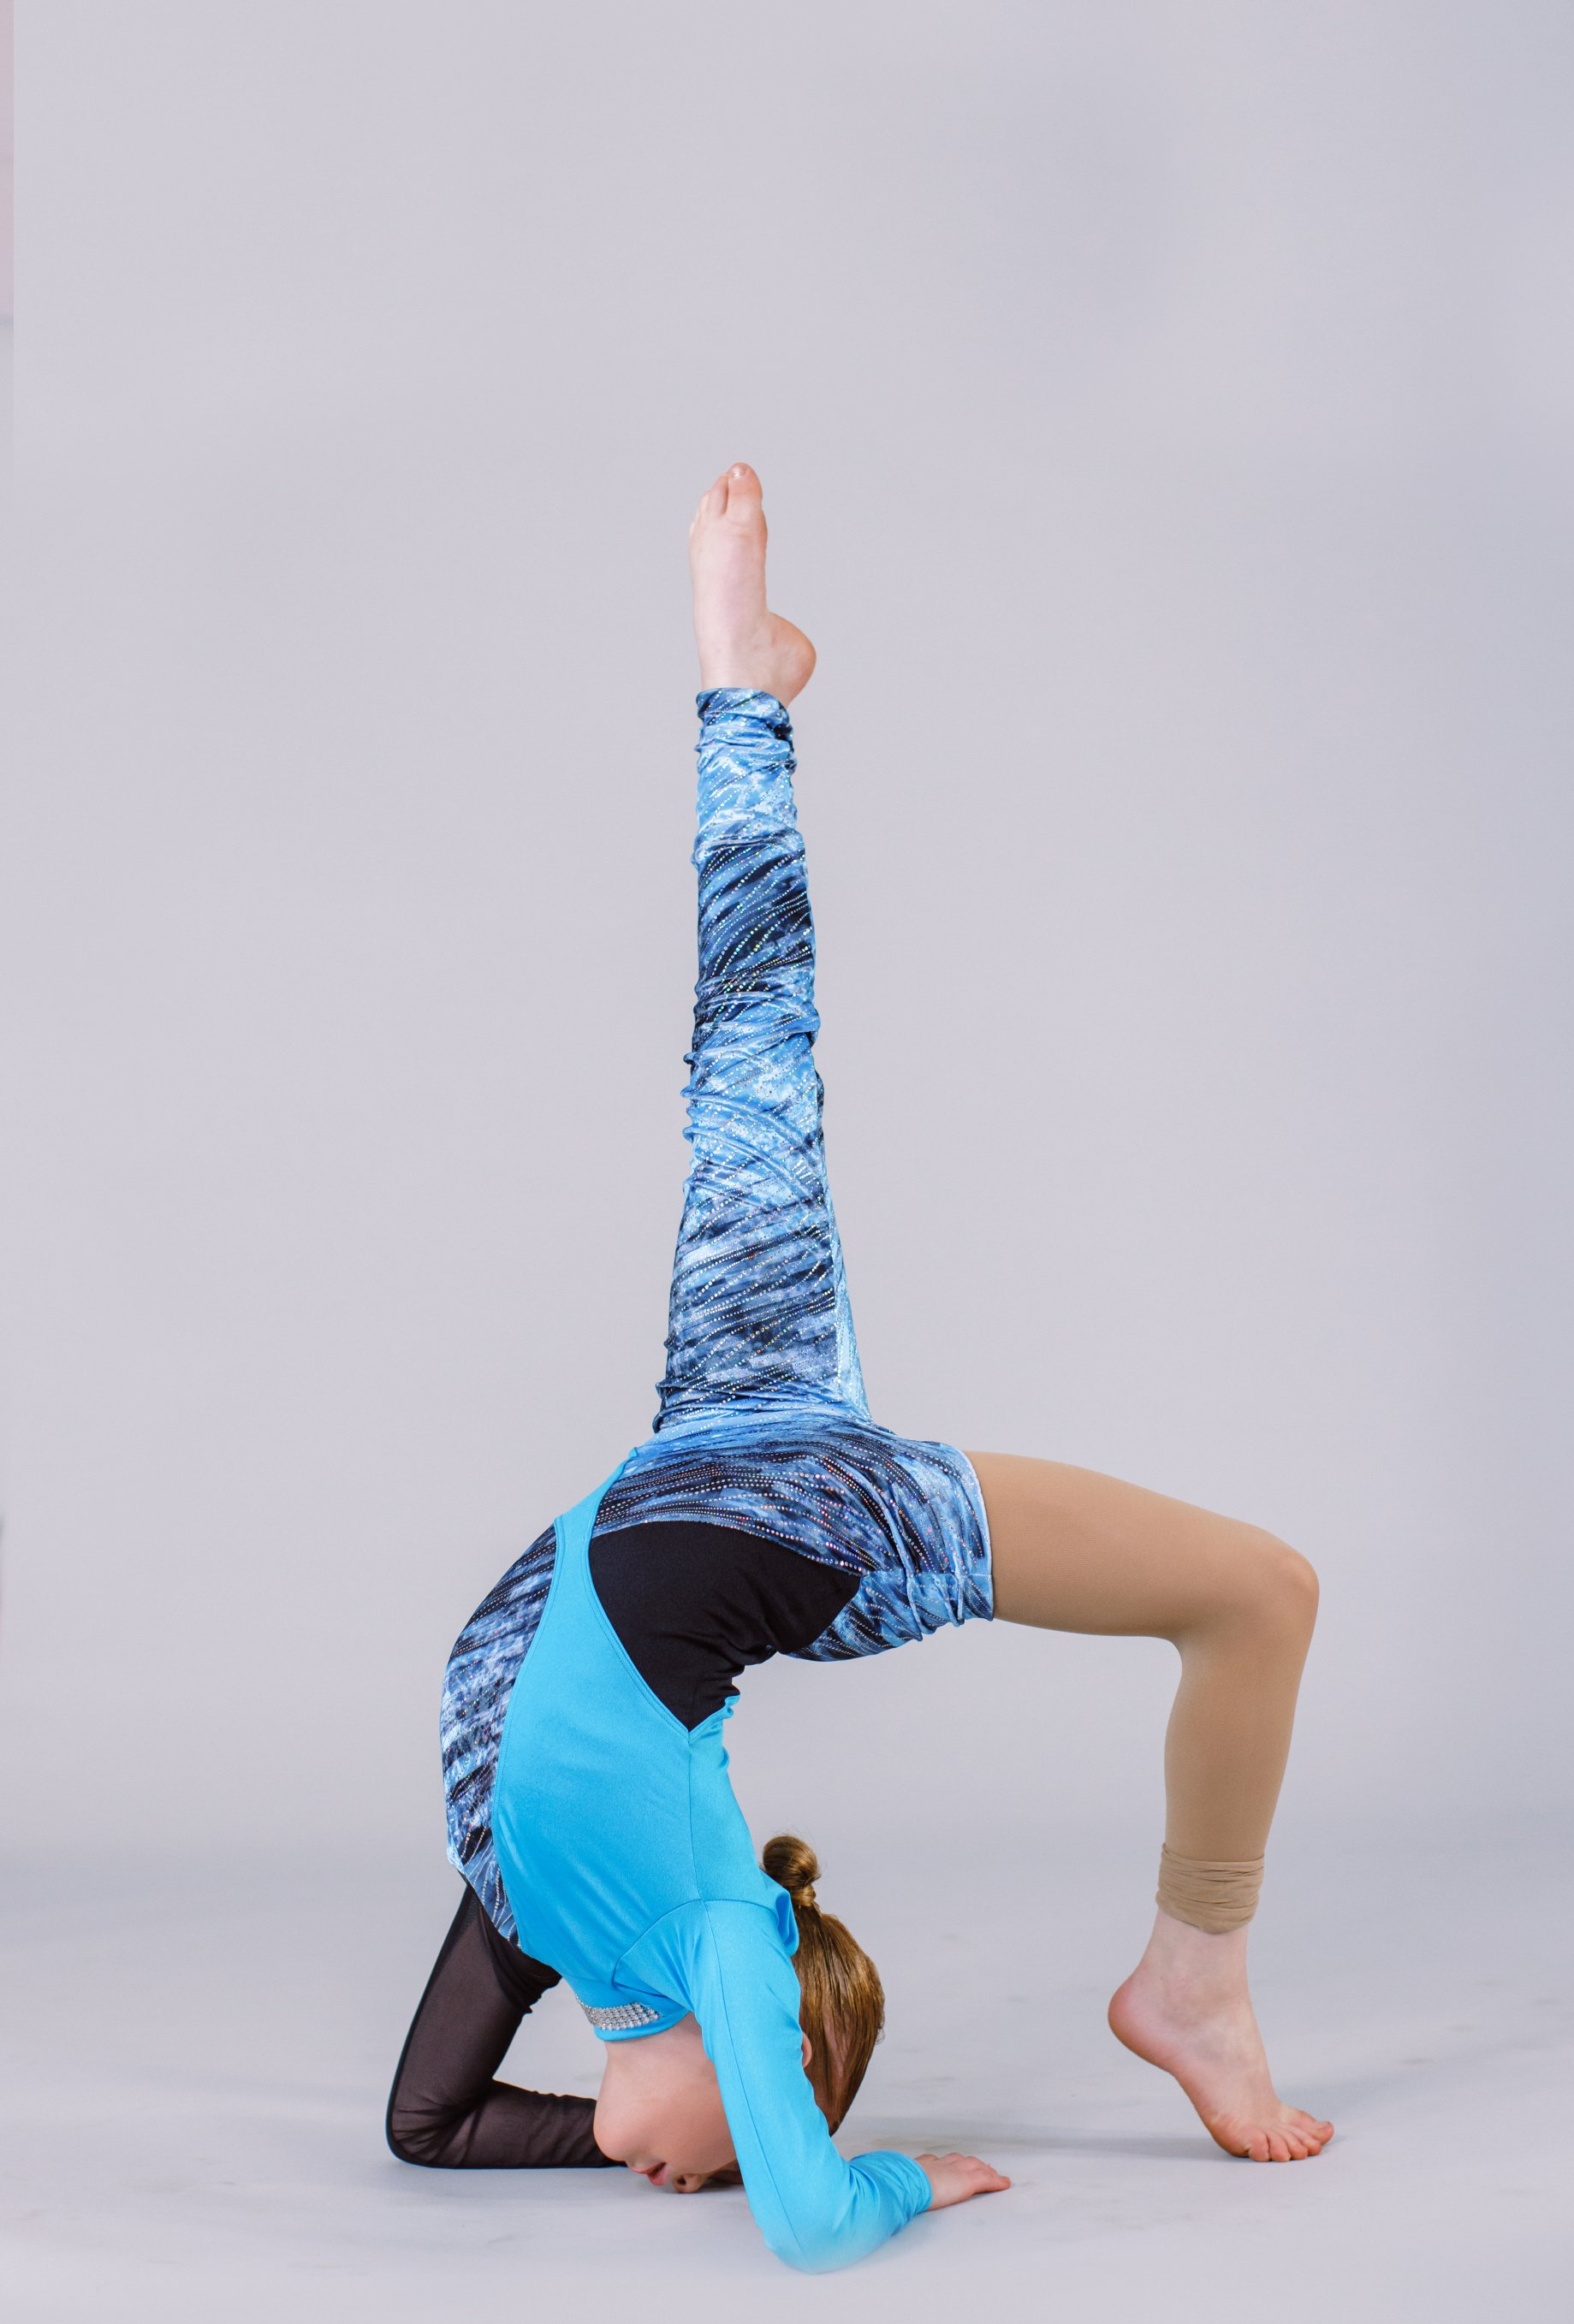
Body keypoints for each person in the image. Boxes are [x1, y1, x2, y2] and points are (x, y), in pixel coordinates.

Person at [385, 465, 1333, 2272]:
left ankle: (741, 688)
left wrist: (630, 2129)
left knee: (749, 1047)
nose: (686, 2162)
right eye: (759, 2128)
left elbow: (425, 2124)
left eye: (710, 2154)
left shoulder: (550, 1914)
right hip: (807, 1516)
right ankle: (1191, 1975)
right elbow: (817, 2230)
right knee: (1261, 1594)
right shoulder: (718, 1935)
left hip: (715, 1440)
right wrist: (909, 2170)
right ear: (775, 2065)